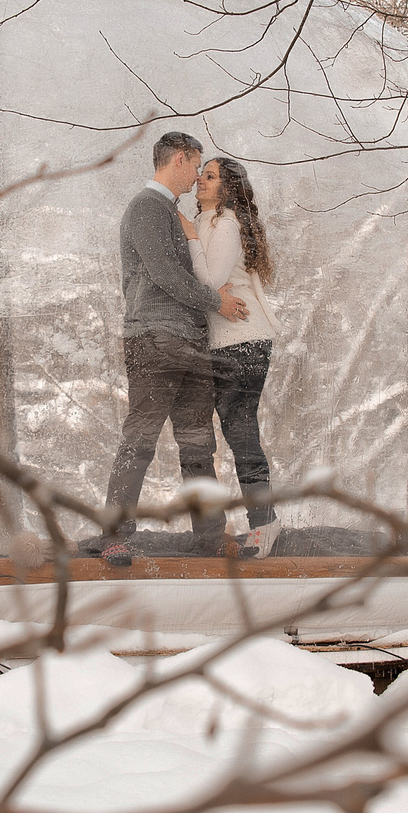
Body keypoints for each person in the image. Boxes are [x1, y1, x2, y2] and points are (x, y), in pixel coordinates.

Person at [95, 131, 251, 565]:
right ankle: (115, 537)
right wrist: (217, 301)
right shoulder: (147, 208)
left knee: (199, 444)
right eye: (196, 164)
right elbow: (164, 273)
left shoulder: (171, 212)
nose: (199, 175)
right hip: (154, 339)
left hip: (191, 342)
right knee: (141, 439)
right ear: (179, 159)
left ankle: (209, 537)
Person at [183, 156, 284, 557]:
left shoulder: (223, 223)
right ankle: (263, 520)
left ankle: (265, 523)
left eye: (209, 177)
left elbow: (209, 281)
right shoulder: (213, 220)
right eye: (201, 175)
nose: (200, 182)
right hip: (230, 341)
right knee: (238, 432)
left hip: (242, 339)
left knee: (241, 433)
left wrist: (189, 236)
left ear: (226, 188)